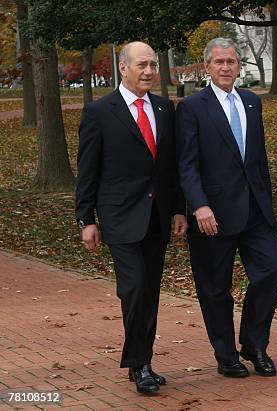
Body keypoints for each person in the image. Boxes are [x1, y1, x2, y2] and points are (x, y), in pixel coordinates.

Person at [75, 41, 188, 395]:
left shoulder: (164, 108)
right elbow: (87, 170)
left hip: (156, 217)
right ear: (122, 68)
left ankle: (144, 361)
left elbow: (171, 167)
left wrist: (178, 209)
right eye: (142, 65)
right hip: (119, 216)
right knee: (135, 286)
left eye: (153, 65)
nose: (149, 71)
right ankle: (138, 364)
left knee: (149, 291)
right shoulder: (99, 112)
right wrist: (86, 218)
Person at [176, 38, 277, 378]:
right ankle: (226, 355)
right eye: (219, 62)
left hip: (255, 210)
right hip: (213, 214)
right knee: (214, 288)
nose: (225, 67)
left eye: (231, 62)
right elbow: (186, 164)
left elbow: (258, 158)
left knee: (271, 272)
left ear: (239, 67)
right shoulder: (192, 107)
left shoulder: (252, 102)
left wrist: (267, 199)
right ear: (206, 67)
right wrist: (199, 205)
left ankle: (253, 344)